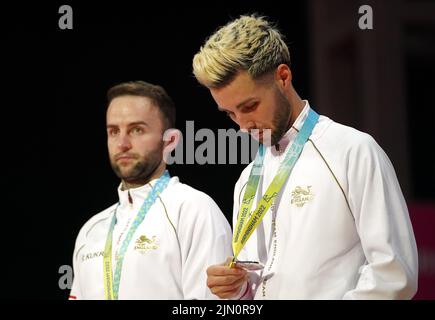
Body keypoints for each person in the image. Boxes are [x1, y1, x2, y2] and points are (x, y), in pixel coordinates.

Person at [192, 15, 418, 299]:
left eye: (249, 106)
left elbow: (394, 276)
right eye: (230, 113)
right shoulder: (247, 179)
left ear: (283, 77)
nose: (242, 124)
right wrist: (237, 289)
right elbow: (259, 284)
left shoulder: (353, 151)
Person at [69, 81, 232, 299]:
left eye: (137, 130)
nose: (122, 143)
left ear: (170, 141)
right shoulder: (90, 231)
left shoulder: (193, 210)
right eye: (114, 131)